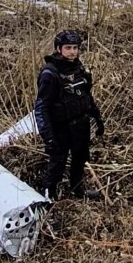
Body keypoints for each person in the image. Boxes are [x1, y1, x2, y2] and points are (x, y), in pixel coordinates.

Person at [35, 30, 105, 200]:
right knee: (57, 162)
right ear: (59, 49)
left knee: (80, 158)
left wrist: (97, 117)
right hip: (61, 127)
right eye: (68, 48)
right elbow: (41, 107)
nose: (73, 51)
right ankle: (48, 196)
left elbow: (86, 96)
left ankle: (77, 190)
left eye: (75, 47)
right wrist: (49, 138)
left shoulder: (79, 68)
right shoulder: (50, 74)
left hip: (81, 123)